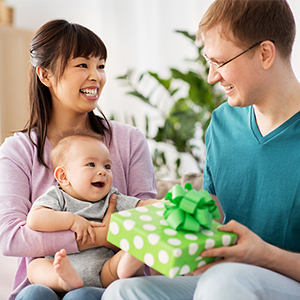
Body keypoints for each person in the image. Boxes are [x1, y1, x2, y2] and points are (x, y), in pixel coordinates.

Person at [102, 0, 300, 299]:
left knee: (225, 281)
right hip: (223, 279)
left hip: (281, 280)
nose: (211, 76)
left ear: (265, 54)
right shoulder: (222, 123)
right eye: (209, 62)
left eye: (220, 62)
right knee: (124, 292)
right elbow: (210, 215)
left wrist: (262, 254)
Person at [0, 19, 157, 300]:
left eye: (101, 65)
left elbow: (149, 218)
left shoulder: (129, 140)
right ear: (45, 75)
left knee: (81, 297)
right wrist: (101, 236)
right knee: (35, 296)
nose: (96, 76)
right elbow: (10, 237)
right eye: (82, 65)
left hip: (112, 283)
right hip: (42, 281)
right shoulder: (18, 150)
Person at [27, 131, 156, 292]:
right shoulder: (57, 196)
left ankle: (129, 261)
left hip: (104, 271)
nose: (102, 171)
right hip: (62, 265)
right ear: (63, 176)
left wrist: (162, 205)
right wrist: (72, 220)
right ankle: (63, 282)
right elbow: (35, 219)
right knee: (35, 266)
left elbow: (141, 205)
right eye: (91, 164)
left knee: (121, 258)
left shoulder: (112, 197)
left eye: (107, 166)